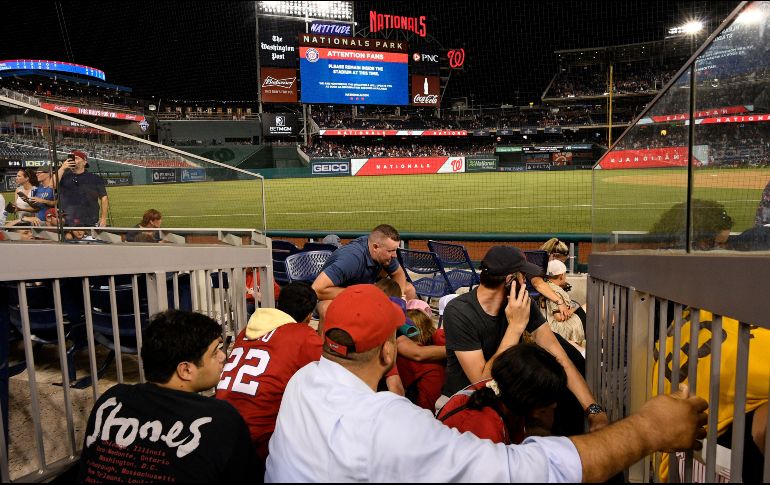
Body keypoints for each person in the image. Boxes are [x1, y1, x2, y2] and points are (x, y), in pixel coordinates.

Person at [265, 284, 708, 483]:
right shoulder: (387, 425)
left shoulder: (305, 381)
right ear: (387, 352)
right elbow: (527, 473)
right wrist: (649, 430)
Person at [441, 245, 608, 432]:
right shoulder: (459, 311)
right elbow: (482, 382)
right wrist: (515, 327)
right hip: (468, 405)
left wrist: (594, 411)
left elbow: (560, 357)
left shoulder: (522, 304)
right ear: (510, 281)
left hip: (509, 398)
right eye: (523, 276)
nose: (526, 281)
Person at [77, 310, 256, 483]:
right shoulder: (221, 418)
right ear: (186, 370)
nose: (223, 356)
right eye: (214, 352)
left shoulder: (111, 399)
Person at [216, 282, 322, 476]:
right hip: (258, 442)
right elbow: (330, 376)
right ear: (308, 316)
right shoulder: (304, 335)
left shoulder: (246, 330)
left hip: (218, 426)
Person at [437, 343, 566, 444]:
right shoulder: (485, 434)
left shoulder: (502, 388)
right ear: (535, 408)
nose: (554, 405)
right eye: (550, 404)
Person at [311, 224, 416, 319]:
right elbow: (316, 289)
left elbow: (398, 273)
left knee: (409, 290)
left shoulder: (385, 252)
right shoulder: (351, 259)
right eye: (390, 251)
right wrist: (362, 293)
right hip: (335, 297)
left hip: (365, 292)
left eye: (395, 250)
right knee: (326, 309)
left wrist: (400, 297)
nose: (395, 255)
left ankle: (393, 334)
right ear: (375, 247)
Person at [55, 150, 109, 227]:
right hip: (67, 220)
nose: (73, 160)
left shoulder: (94, 178)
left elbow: (104, 197)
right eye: (71, 158)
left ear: (84, 162)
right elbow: (52, 185)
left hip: (89, 219)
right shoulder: (63, 176)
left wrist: (103, 218)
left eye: (76, 158)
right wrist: (62, 168)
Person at [543, 259, 586, 347]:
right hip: (559, 327)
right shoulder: (556, 291)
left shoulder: (546, 286)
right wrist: (575, 307)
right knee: (593, 307)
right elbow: (559, 317)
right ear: (562, 276)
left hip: (549, 324)